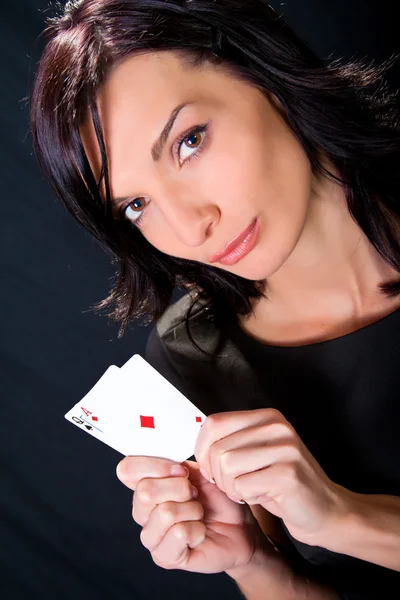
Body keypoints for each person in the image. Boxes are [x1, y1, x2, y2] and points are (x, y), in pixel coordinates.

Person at [30, 0, 400, 598]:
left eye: (189, 141)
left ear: (264, 74)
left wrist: (341, 517)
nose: (189, 226)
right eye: (136, 205)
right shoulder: (190, 355)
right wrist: (254, 564)